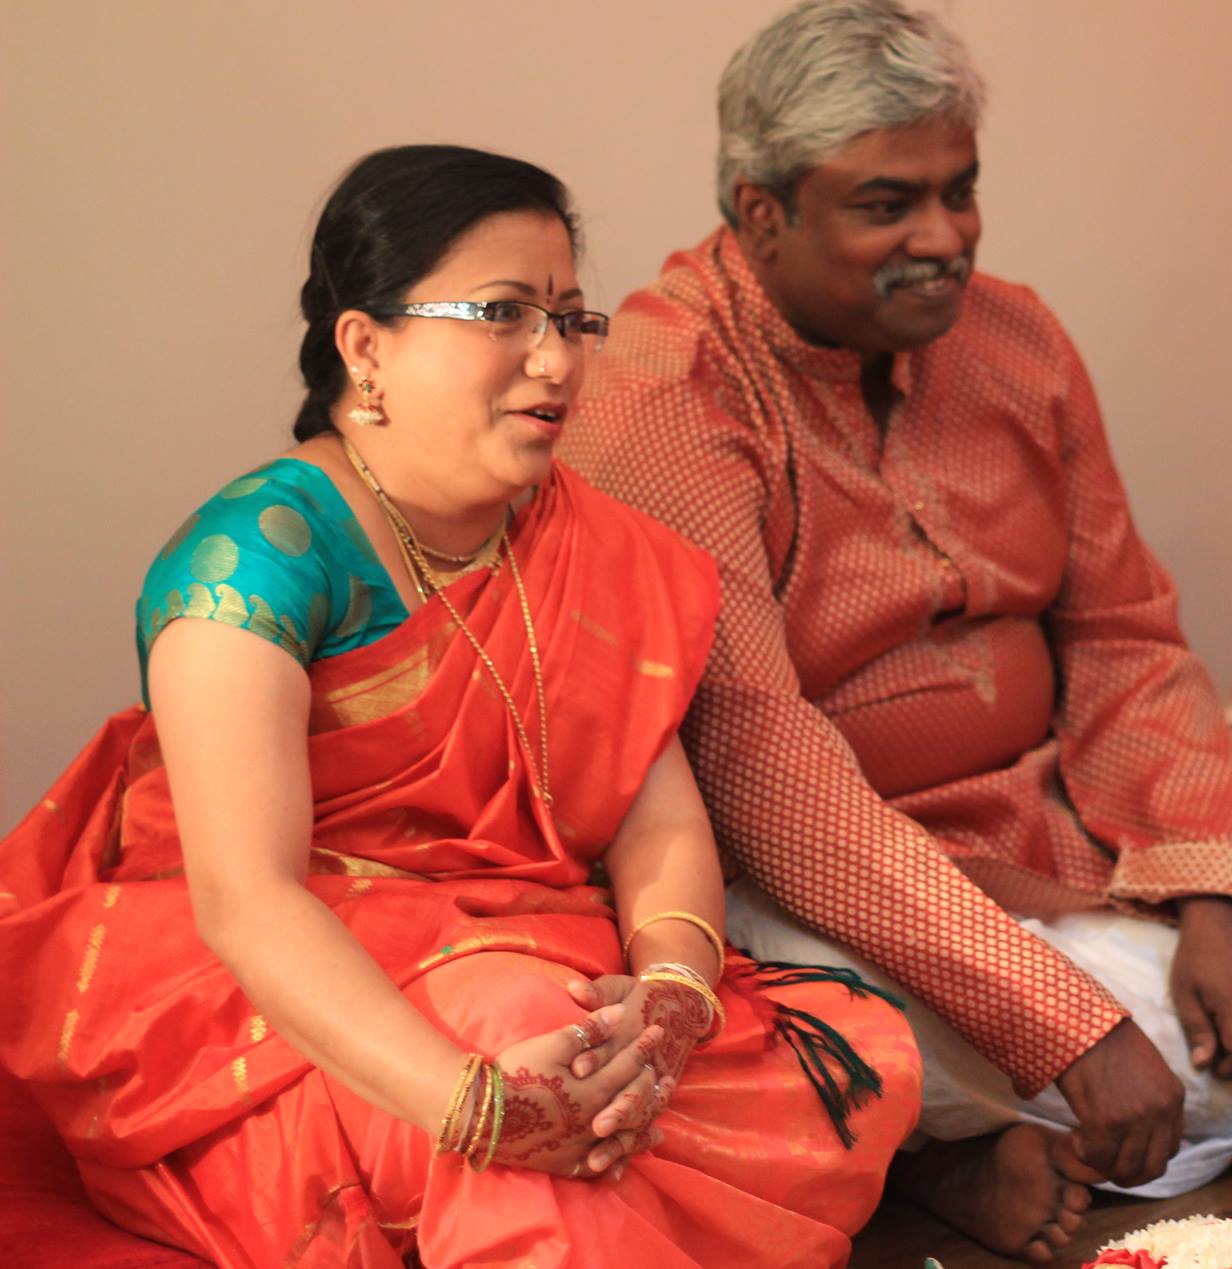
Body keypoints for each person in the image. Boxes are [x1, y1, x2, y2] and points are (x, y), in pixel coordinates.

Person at [561, 0, 1232, 1263]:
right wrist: (1060, 1023)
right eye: (886, 204)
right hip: (822, 877)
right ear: (760, 213)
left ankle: (1094, 1097)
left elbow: (1123, 630)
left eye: (960, 191)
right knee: (816, 1020)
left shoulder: (1013, 339)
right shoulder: (667, 397)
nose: (945, 237)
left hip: (1052, 816)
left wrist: (1207, 892)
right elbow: (764, 772)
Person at [0, 145, 920, 1268]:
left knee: (841, 1061)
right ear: (365, 346)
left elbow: (658, 820)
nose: (555, 359)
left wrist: (675, 993)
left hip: (531, 962)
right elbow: (246, 903)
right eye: (504, 314)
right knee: (523, 1042)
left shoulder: (591, 547)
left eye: (572, 319)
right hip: (272, 1005)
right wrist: (473, 1105)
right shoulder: (253, 560)